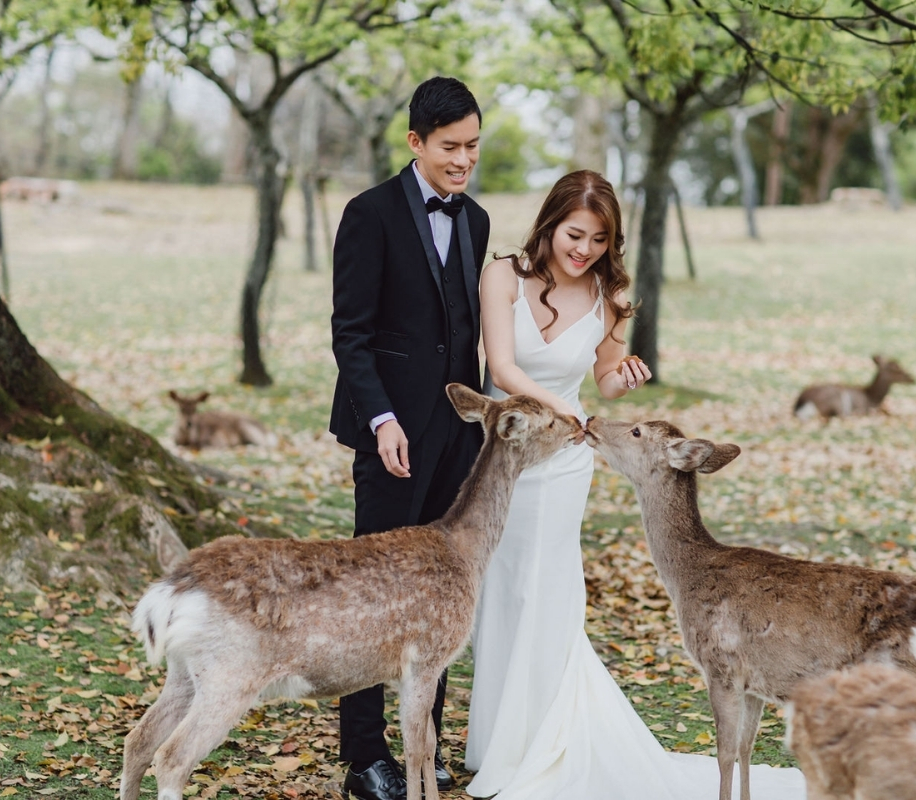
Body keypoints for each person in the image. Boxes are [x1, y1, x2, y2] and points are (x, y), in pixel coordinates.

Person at [464, 170, 806, 799]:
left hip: (566, 460)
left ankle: (545, 738)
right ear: (549, 224)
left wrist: (624, 378)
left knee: (548, 589)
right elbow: (502, 366)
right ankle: (496, 740)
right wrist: (562, 411)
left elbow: (602, 381)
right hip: (509, 454)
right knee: (503, 588)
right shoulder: (501, 275)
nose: (583, 249)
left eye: (598, 239)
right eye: (574, 234)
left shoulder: (608, 295)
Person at [329, 76, 491, 800]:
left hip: (456, 442)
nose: (463, 161)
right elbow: (351, 335)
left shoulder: (478, 220)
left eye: (474, 148)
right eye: (451, 147)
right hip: (388, 436)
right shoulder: (368, 215)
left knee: (443, 594)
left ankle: (424, 748)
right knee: (374, 596)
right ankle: (363, 756)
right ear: (415, 142)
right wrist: (383, 420)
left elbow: (465, 335)